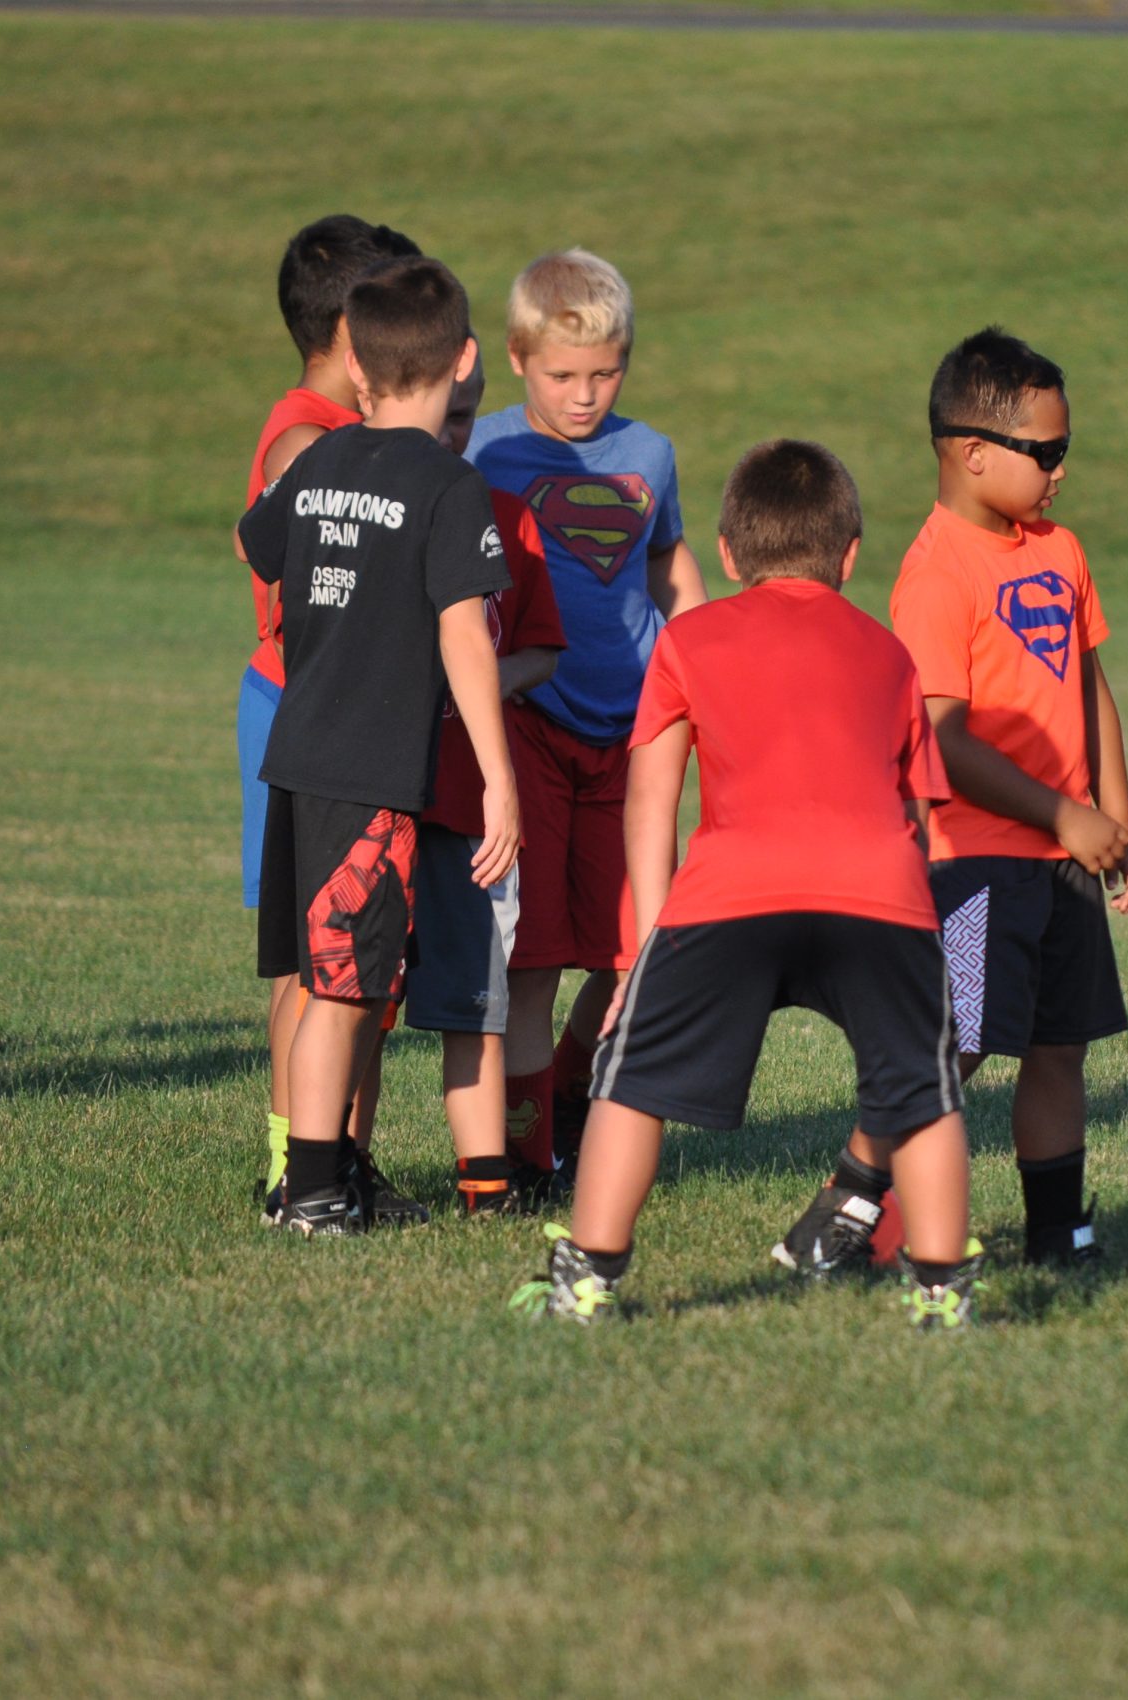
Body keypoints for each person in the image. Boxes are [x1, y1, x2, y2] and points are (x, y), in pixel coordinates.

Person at [513, 440, 980, 1329]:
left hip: (729, 894)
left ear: (726, 555)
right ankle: (943, 1295)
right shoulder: (889, 653)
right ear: (850, 555)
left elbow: (649, 805)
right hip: (880, 893)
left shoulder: (688, 637)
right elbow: (917, 817)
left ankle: (585, 1279)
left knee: (629, 1079)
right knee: (921, 1091)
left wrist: (649, 949)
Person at [776, 328, 1128, 1276]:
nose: (1061, 472)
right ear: (974, 452)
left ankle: (1059, 1234)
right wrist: (1064, 815)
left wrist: (1115, 815)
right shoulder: (936, 574)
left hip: (1066, 859)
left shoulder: (1060, 551)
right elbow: (943, 739)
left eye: (1068, 451)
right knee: (958, 1047)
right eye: (1046, 453)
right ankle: (846, 1204)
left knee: (1061, 1049)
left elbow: (1090, 685)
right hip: (976, 861)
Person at [236, 255, 520, 1236]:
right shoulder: (447, 485)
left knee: (335, 983)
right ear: (465, 359)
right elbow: (463, 633)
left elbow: (258, 544)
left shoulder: (318, 459)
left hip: (296, 753)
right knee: (347, 990)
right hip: (367, 771)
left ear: (356, 368)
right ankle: (312, 1192)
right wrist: (498, 777)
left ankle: (309, 1181)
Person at [465, 247, 707, 1196]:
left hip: (636, 738)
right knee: (534, 963)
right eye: (563, 375)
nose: (585, 395)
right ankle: (527, 1159)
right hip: (530, 725)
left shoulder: (650, 455)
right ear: (519, 357)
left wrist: (698, 660)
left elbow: (668, 568)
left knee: (637, 948)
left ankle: (567, 1093)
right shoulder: (483, 450)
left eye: (606, 373)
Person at [240, 214, 421, 1216]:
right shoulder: (306, 436)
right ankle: (291, 1163)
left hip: (359, 719)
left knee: (364, 967)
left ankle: (346, 1155)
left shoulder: (353, 430)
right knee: (318, 966)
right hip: (304, 714)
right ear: (359, 333)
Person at [411, 386, 564, 1218]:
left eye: (463, 416)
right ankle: (341, 1163)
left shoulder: (505, 515)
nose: (447, 430)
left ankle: (487, 1183)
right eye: (439, 410)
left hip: (472, 803)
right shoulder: (376, 512)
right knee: (362, 996)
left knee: (479, 996)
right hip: (377, 792)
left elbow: (540, 648)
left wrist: (472, 690)